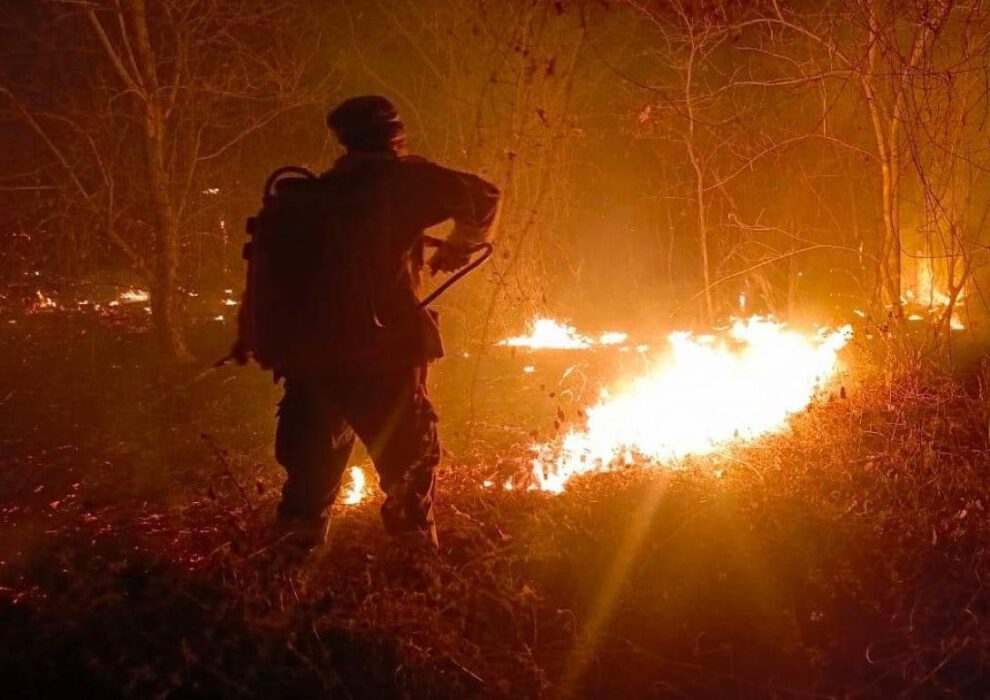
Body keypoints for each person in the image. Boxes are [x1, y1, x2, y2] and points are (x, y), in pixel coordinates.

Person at [247, 95, 500, 550]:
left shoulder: (314, 195)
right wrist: (458, 246)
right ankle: (418, 581)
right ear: (395, 137)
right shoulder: (404, 181)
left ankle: (282, 588)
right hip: (384, 355)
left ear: (343, 140)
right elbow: (483, 199)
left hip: (312, 359)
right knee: (407, 469)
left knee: (308, 480)